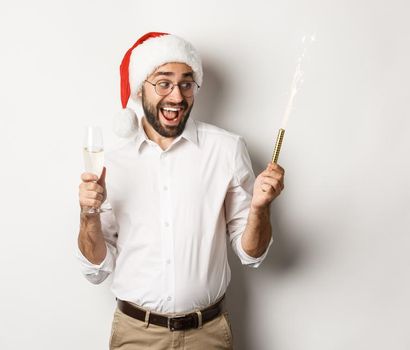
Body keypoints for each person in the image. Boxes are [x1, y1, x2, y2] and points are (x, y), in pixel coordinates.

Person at [76, 32, 285, 350]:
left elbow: (251, 254)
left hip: (208, 335)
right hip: (136, 336)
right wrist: (88, 214)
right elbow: (95, 270)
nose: (176, 96)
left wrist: (260, 208)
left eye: (186, 83)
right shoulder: (113, 163)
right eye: (163, 83)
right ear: (140, 89)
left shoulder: (227, 149)